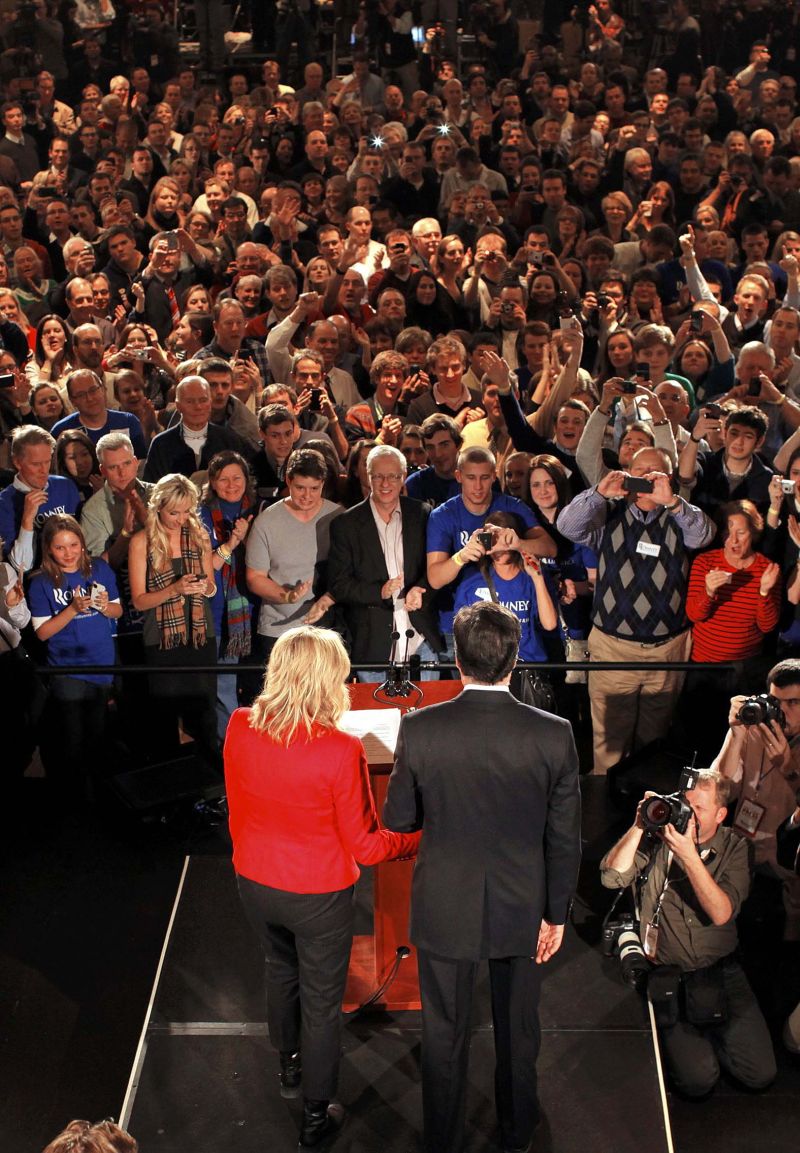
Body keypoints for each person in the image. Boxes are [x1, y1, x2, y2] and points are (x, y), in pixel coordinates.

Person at [383, 601, 582, 1153]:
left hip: (445, 902)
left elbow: (398, 818)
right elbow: (565, 838)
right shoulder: (554, 734)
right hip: (524, 905)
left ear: (456, 662)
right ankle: (517, 1135)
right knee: (519, 1031)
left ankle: (442, 1140)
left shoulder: (421, 729)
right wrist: (556, 914)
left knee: (444, 1032)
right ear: (514, 662)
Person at [224, 626, 420, 1148]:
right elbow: (368, 847)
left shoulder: (240, 725)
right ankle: (316, 1114)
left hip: (254, 883)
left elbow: (239, 806)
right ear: (328, 680)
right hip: (318, 897)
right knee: (321, 1003)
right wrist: (420, 839)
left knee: (279, 970)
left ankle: (289, 1071)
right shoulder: (339, 748)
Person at [600, 768, 777, 1099]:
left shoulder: (736, 848)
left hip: (722, 973)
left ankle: (715, 1033)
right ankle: (695, 1040)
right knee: (698, 1081)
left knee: (760, 1073)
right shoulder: (657, 840)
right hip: (670, 975)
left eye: (699, 808)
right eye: (684, 803)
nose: (687, 814)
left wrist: (688, 855)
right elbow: (611, 878)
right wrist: (640, 825)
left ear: (721, 815)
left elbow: (722, 912)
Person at [557, 447, 716, 775]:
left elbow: (704, 535)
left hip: (666, 651)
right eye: (639, 471)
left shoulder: (679, 516)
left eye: (655, 473)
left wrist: (672, 502)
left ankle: (644, 812)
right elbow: (568, 527)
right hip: (614, 648)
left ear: (668, 479)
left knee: (654, 740)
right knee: (609, 743)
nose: (646, 478)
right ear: (627, 473)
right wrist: (600, 493)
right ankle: (605, 813)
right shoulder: (607, 515)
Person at [328, 445, 442, 682]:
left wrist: (421, 589)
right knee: (378, 717)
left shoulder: (423, 514)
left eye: (393, 476)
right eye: (378, 476)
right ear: (367, 476)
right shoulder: (345, 524)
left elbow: (437, 567)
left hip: (421, 639)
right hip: (373, 645)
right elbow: (339, 584)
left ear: (403, 478)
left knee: (424, 715)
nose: (385, 483)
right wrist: (379, 591)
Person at [128, 473, 219, 768]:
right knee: (164, 721)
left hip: (200, 635)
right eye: (174, 512)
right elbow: (139, 601)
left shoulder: (199, 536)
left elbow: (212, 586)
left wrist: (206, 587)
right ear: (158, 508)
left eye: (187, 511)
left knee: (205, 717)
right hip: (162, 640)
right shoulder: (143, 542)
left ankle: (209, 788)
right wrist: (173, 589)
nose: (181, 519)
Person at [29, 513, 122, 802]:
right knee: (72, 739)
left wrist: (105, 607)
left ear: (82, 544)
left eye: (73, 545)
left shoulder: (101, 569)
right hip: (66, 668)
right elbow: (43, 633)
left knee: (97, 733)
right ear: (49, 549)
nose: (68, 553)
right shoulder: (40, 582)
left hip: (101, 662)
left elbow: (118, 611)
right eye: (60, 547)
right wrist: (71, 609)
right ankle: (73, 800)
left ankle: (96, 797)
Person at [711, 659, 800, 942]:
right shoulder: (755, 729)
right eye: (776, 701)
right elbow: (720, 791)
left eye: (794, 703)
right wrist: (735, 734)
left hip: (785, 857)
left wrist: (788, 768)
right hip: (742, 844)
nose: (782, 711)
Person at [245, 448, 342, 671]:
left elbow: (349, 571)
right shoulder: (267, 521)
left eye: (314, 489)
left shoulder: (338, 517)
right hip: (279, 631)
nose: (307, 496)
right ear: (288, 480)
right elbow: (255, 578)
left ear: (323, 484)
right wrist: (287, 596)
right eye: (300, 488)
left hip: (326, 629)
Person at [199, 451, 256, 743]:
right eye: (224, 479)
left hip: (255, 612)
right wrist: (233, 542)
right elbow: (207, 565)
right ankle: (231, 747)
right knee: (224, 685)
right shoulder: (202, 515)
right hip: (218, 611)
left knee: (252, 683)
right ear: (212, 481)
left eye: (237, 478)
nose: (231, 485)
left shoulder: (259, 510)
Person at [0, 425, 81, 572]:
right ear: (17, 462)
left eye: (47, 461)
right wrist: (27, 520)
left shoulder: (65, 485)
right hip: (35, 582)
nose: (44, 470)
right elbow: (21, 567)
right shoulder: (4, 503)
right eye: (36, 464)